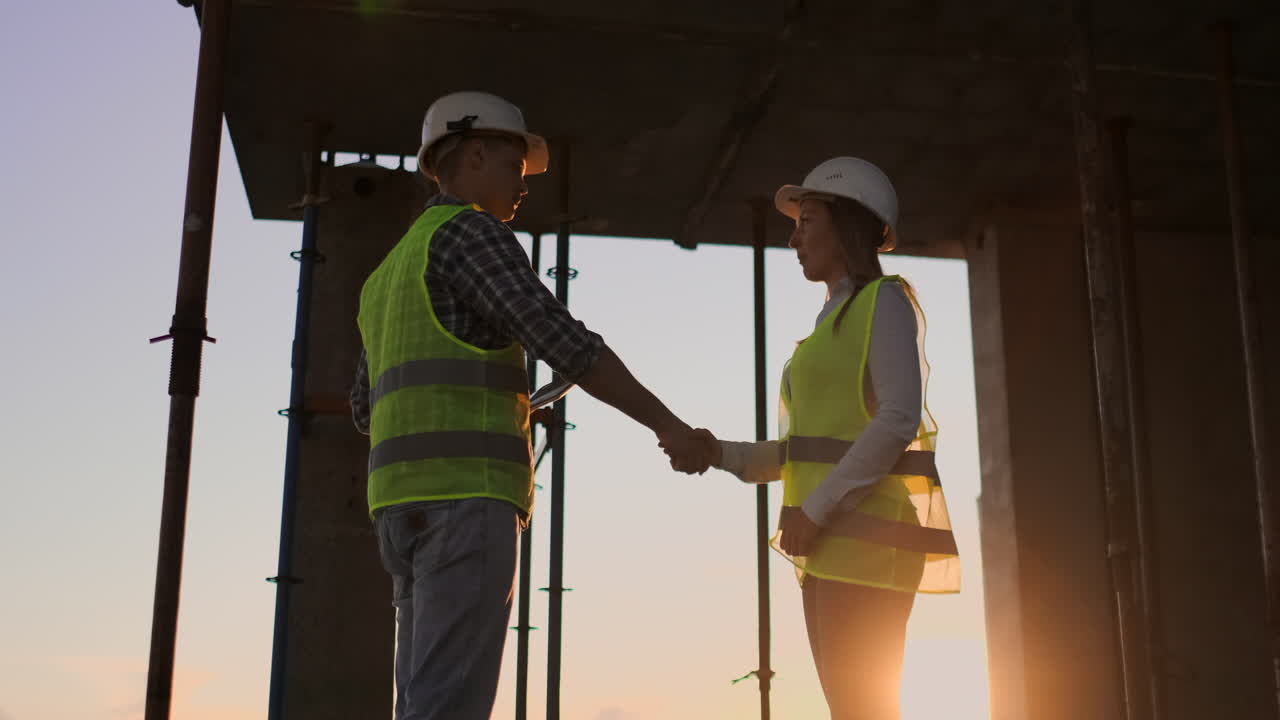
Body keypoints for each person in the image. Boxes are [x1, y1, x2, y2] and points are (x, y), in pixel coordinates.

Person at [350, 91, 708, 720]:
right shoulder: (472, 233)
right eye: (517, 167)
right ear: (480, 154)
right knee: (448, 709)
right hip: (467, 502)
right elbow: (563, 341)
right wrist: (669, 426)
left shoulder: (387, 272)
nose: (522, 187)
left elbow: (365, 407)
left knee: (421, 703)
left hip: (397, 513)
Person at [665, 157, 961, 719]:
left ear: (846, 224)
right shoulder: (828, 325)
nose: (794, 237)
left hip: (864, 544)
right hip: (829, 546)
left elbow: (899, 419)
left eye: (806, 221)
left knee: (864, 711)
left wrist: (817, 509)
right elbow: (798, 453)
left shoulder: (886, 302)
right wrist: (718, 453)